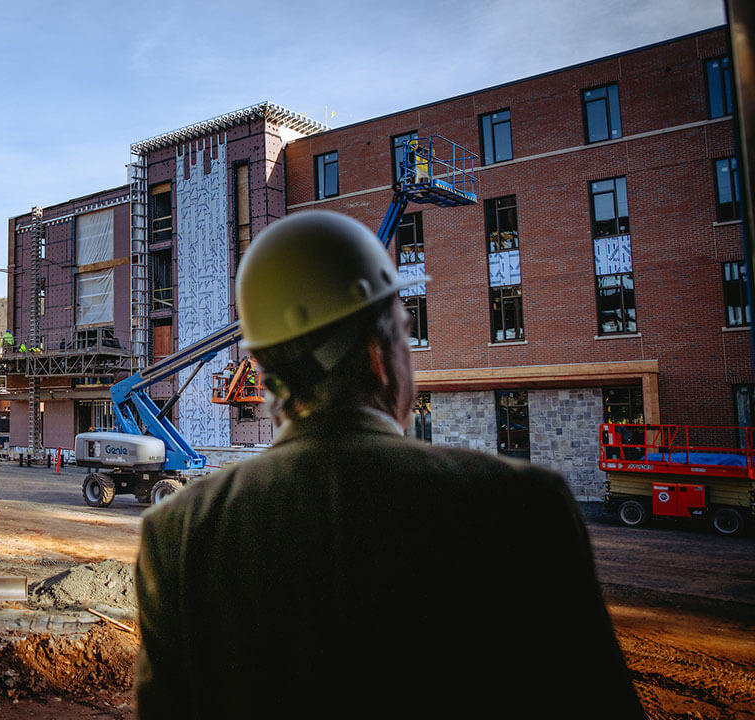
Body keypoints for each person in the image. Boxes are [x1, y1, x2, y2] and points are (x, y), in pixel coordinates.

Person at [135, 211, 643, 718]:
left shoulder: (180, 534)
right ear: (380, 354)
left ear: (268, 369)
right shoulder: (522, 507)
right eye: (405, 333)